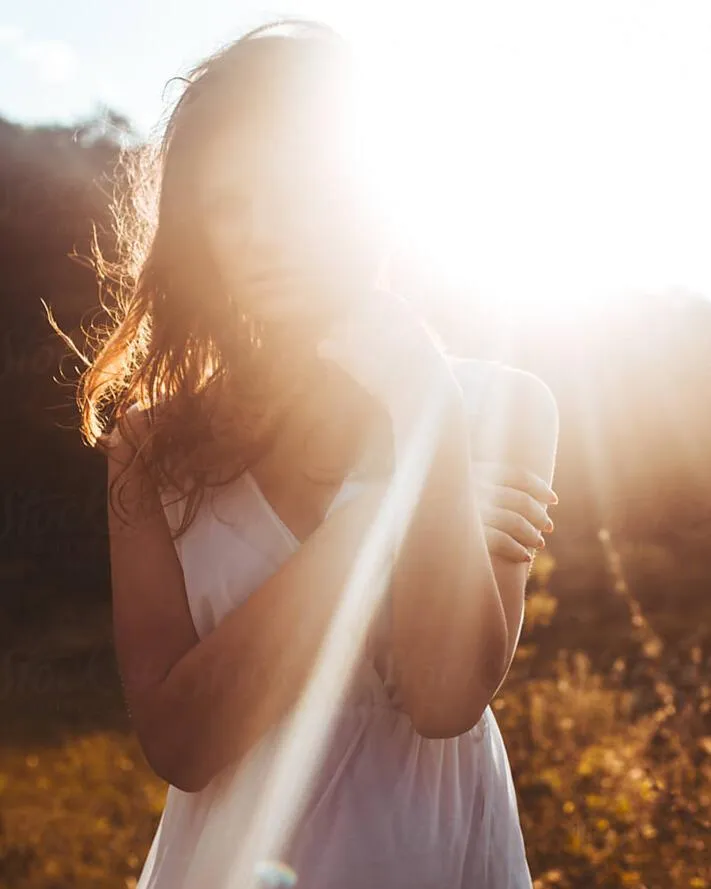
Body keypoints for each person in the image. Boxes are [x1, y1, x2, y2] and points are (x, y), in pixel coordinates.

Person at [63, 17, 560, 889]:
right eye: (229, 206)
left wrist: (424, 401)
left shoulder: (501, 407)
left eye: (294, 194)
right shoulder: (150, 442)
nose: (259, 234)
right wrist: (378, 517)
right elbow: (180, 740)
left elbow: (445, 698)